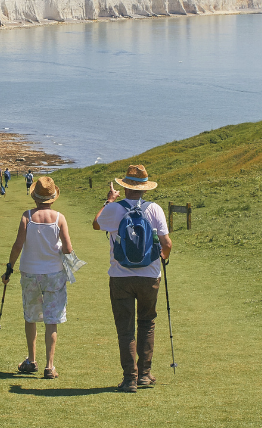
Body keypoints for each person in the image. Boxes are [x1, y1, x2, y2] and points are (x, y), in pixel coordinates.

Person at [92, 164, 172, 393]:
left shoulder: (115, 209)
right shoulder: (155, 209)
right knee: (147, 323)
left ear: (124, 188)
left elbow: (96, 224)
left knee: (125, 329)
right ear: (145, 189)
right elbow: (167, 244)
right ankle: (145, 374)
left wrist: (108, 201)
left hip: (120, 276)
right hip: (149, 276)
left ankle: (130, 379)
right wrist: (161, 259)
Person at [3, 177, 74, 380]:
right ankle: (49, 366)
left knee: (31, 316)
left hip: (30, 272)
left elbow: (18, 245)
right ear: (53, 198)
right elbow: (68, 248)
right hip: (54, 273)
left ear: (35, 197)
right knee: (52, 320)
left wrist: (9, 267)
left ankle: (31, 360)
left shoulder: (27, 216)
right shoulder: (59, 218)